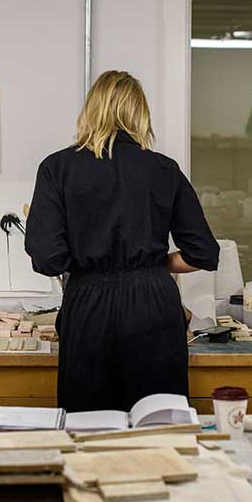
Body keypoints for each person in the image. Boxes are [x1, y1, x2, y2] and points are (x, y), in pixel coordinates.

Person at [25, 70, 220, 413]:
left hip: (88, 303)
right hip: (154, 304)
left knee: (87, 423)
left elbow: (48, 258)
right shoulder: (163, 169)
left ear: (91, 110)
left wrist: (90, 260)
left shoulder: (57, 168)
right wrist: (153, 265)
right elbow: (202, 252)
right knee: (158, 421)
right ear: (140, 114)